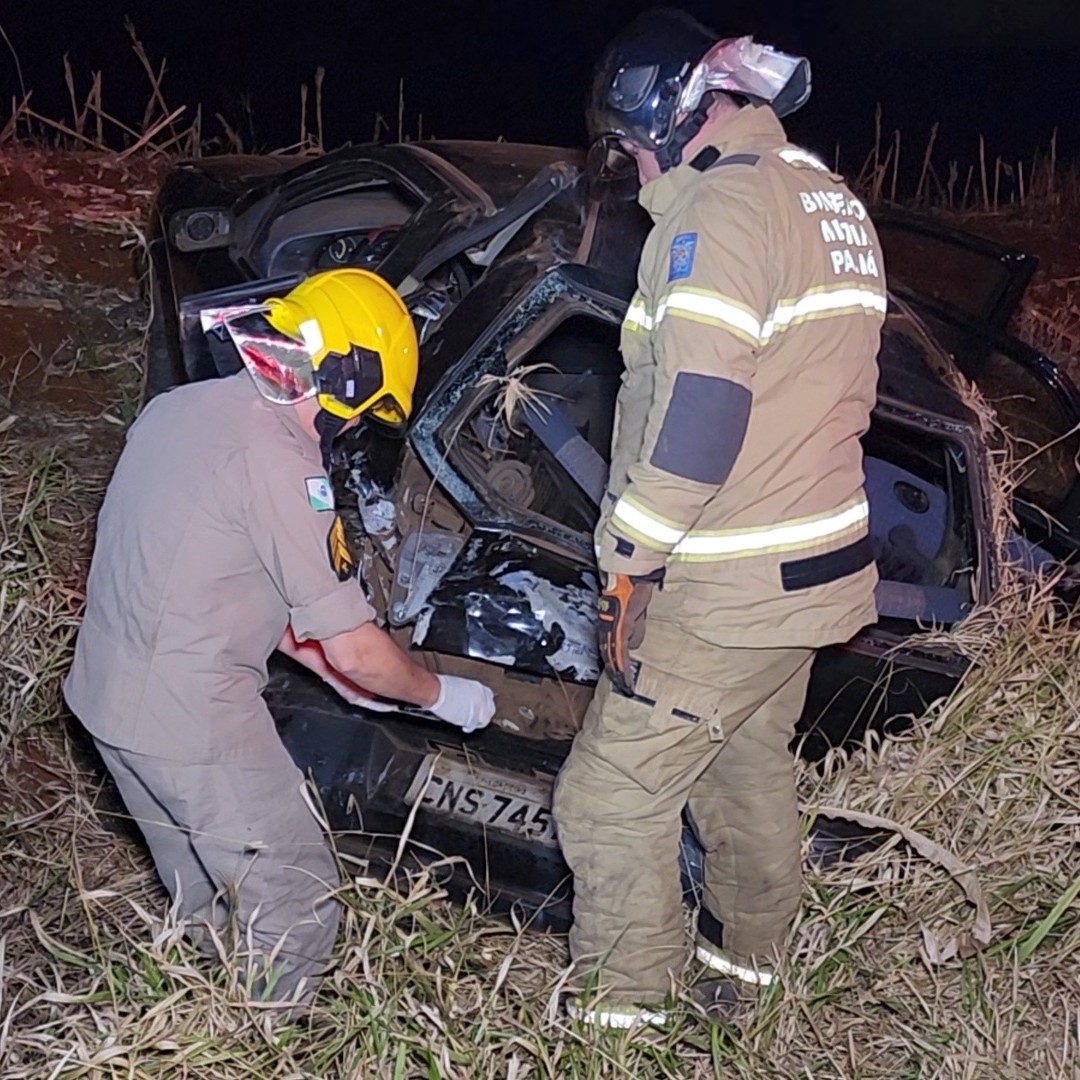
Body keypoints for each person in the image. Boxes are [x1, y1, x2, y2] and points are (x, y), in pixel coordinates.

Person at [552, 8, 887, 1027]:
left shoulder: (719, 216)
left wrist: (629, 557)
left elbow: (701, 408)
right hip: (814, 575)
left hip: (728, 585)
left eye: (627, 144)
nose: (632, 170)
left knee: (610, 802)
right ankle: (750, 990)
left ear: (673, 113)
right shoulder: (826, 199)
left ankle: (621, 1029)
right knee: (743, 778)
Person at [63, 268, 497, 1006]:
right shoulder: (283, 464)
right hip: (193, 719)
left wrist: (335, 674)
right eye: (367, 408)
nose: (357, 426)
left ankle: (208, 1028)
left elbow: (222, 581)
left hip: (107, 702)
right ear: (348, 382)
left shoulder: (178, 408)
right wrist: (444, 696)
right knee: (295, 900)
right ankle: (263, 1044)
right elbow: (360, 645)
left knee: (206, 898)